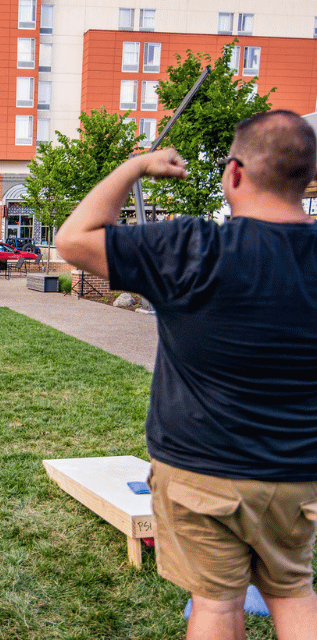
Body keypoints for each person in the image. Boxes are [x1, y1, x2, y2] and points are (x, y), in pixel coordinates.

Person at [55, 110, 317, 640]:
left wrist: (135, 167)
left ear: (234, 174)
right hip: (297, 473)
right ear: (306, 177)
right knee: (293, 592)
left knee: (217, 607)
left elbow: (75, 238)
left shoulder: (192, 247)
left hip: (201, 470)